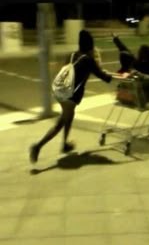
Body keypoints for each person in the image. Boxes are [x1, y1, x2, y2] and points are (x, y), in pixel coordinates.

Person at [30, 30, 123, 163]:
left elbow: (69, 71)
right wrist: (120, 77)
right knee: (60, 123)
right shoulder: (88, 60)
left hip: (59, 91)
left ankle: (65, 144)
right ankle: (37, 146)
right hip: (69, 96)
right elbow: (104, 77)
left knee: (68, 117)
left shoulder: (72, 55)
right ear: (90, 44)